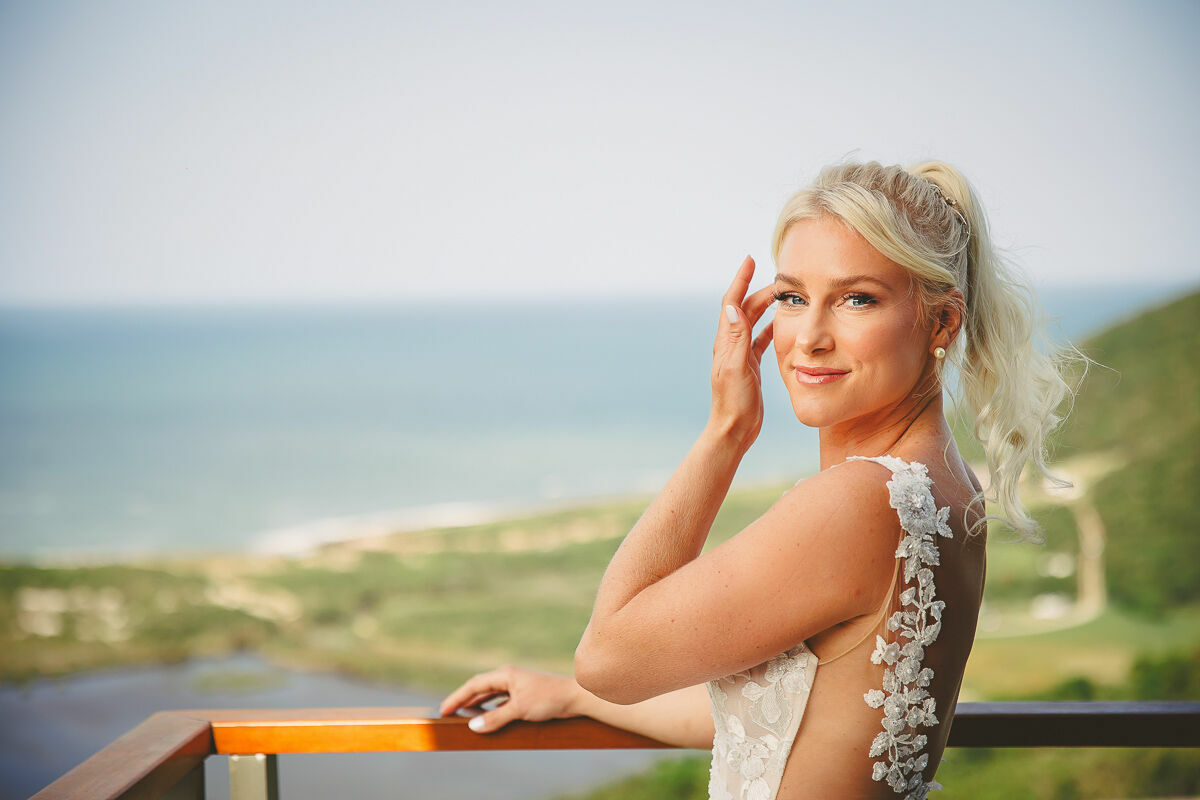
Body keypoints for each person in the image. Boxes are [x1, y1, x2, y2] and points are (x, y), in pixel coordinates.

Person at [440, 160, 1074, 799]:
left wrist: (727, 431)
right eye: (794, 297)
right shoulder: (945, 483)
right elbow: (784, 718)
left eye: (858, 298)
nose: (810, 338)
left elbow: (608, 659)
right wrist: (574, 700)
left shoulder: (861, 500)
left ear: (941, 322)